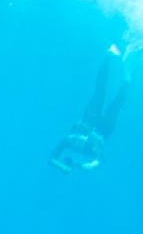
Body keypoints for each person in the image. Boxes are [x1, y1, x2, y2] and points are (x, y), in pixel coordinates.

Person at [50, 43, 131, 173]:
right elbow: (97, 161)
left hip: (90, 122)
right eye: (75, 139)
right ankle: (127, 79)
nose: (76, 143)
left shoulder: (72, 141)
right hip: (105, 130)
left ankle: (109, 54)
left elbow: (52, 159)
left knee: (99, 91)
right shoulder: (79, 143)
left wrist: (64, 166)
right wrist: (80, 166)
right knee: (116, 105)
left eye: (78, 140)